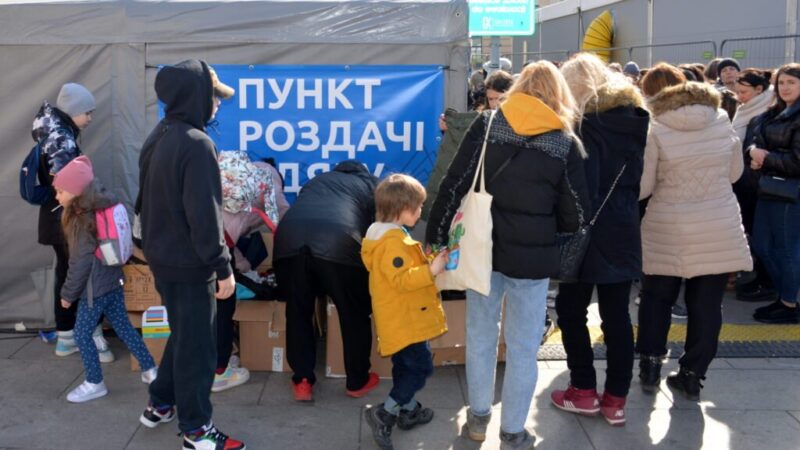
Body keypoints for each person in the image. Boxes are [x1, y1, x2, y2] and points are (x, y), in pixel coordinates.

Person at [426, 61, 590, 450]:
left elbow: (454, 183)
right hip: (533, 261)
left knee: (480, 335)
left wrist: (436, 236)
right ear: (559, 95)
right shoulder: (563, 142)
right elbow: (576, 215)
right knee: (522, 348)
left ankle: (478, 418)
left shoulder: (487, 126)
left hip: (481, 251)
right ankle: (513, 430)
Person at [136, 59, 244, 450]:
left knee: (185, 334)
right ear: (196, 96)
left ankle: (160, 403)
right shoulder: (197, 144)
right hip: (190, 263)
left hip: (164, 258)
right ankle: (197, 431)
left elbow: (143, 200)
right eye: (214, 96)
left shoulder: (160, 134)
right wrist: (223, 267)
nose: (217, 103)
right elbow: (205, 216)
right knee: (198, 347)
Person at [636, 64, 752, 402]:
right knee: (707, 304)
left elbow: (644, 187)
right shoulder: (721, 120)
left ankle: (650, 364)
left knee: (656, 297)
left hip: (668, 224)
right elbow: (735, 173)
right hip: (717, 222)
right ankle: (692, 374)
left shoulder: (656, 126)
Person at [553, 53, 649, 426]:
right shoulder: (637, 121)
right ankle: (616, 401)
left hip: (583, 230)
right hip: (623, 227)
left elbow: (580, 188)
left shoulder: (581, 126)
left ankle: (582, 391)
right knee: (617, 316)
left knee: (570, 310)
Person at [274, 160, 379, 402]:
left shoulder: (316, 182)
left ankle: (302, 380)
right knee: (353, 312)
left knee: (298, 311)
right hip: (339, 244)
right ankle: (357, 380)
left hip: (288, 242)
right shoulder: (371, 184)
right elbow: (377, 229)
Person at [54, 156, 157, 403]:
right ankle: (151, 370)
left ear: (76, 191)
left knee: (81, 334)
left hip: (94, 289)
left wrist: (67, 294)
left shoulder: (81, 219)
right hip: (113, 280)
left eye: (60, 191)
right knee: (124, 326)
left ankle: (95, 382)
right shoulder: (103, 204)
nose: (57, 197)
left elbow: (80, 263)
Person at [361, 174, 449, 450]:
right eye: (417, 207)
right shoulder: (392, 242)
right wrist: (431, 270)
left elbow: (400, 271)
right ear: (401, 209)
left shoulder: (390, 234)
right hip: (406, 319)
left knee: (405, 366)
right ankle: (385, 412)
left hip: (400, 317)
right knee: (420, 367)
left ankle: (408, 410)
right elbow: (402, 279)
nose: (421, 211)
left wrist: (427, 260)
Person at [32, 83, 112, 361]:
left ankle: (67, 334)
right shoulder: (61, 141)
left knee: (67, 273)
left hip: (55, 217)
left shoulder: (52, 133)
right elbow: (72, 186)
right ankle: (82, 335)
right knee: (81, 274)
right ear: (73, 111)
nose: (90, 118)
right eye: (87, 112)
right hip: (66, 219)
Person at [746, 63, 800, 324]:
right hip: (767, 188)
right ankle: (784, 296)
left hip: (790, 193)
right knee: (762, 245)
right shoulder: (774, 112)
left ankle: (789, 303)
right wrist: (753, 153)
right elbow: (755, 140)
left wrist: (764, 159)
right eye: (781, 82)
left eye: (792, 82)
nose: (785, 87)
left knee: (785, 250)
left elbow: (797, 161)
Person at [732, 69, 777, 302]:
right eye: (737, 92)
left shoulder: (767, 111)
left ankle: (769, 283)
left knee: (763, 237)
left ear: (759, 90)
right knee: (754, 233)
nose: (739, 96)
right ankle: (762, 278)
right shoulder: (745, 109)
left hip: (758, 183)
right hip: (746, 180)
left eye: (744, 92)